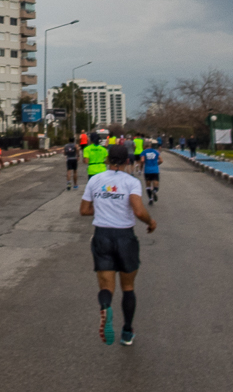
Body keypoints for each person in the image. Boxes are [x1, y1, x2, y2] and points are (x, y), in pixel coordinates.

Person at [80, 144, 157, 346]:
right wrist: (151, 222)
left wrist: (104, 210)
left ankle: (105, 305)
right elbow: (139, 211)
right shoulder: (131, 182)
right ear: (127, 161)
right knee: (128, 287)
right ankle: (127, 332)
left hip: (102, 236)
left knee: (106, 286)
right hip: (125, 237)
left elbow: (84, 210)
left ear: (107, 160)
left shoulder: (95, 180)